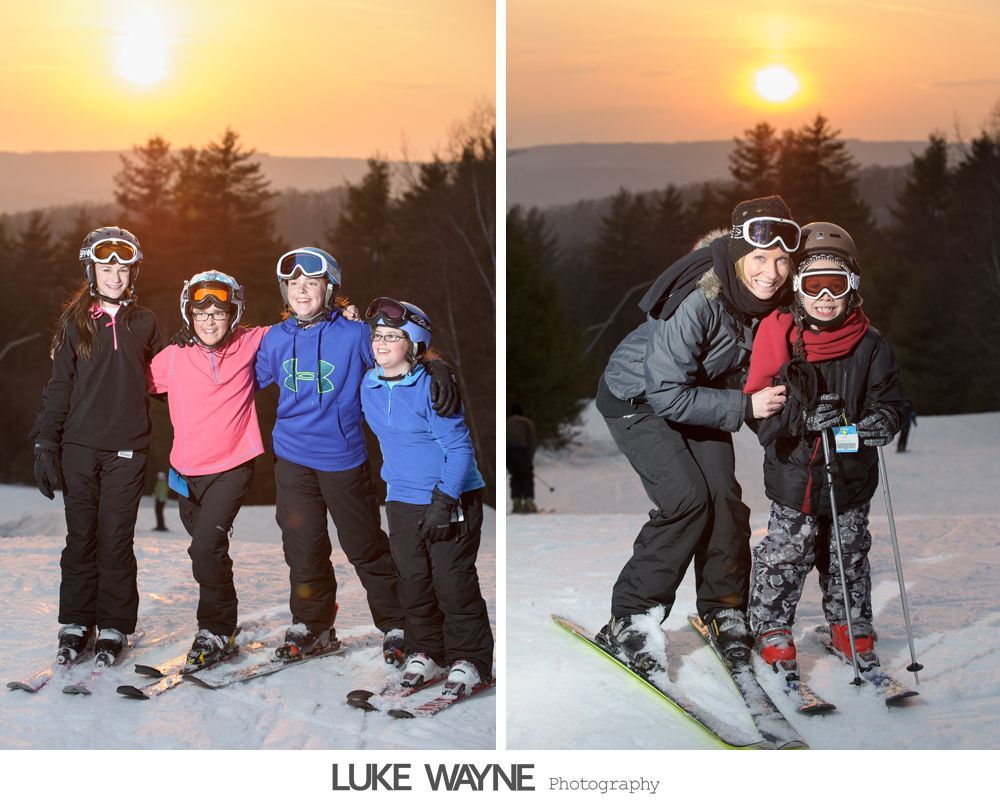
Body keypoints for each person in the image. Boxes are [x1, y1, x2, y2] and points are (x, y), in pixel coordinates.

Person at [594, 196, 797, 677]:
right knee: (687, 499)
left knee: (724, 497)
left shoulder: (770, 306)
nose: (772, 272)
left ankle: (724, 606)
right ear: (737, 253)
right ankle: (631, 617)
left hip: (700, 398)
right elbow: (665, 391)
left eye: (783, 261)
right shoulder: (697, 298)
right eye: (761, 259)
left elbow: (763, 375)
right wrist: (743, 407)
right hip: (639, 399)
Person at [254, 247, 462, 663]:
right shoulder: (274, 339)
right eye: (294, 284)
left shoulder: (354, 335)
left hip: (343, 460)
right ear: (284, 290)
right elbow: (238, 377)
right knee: (303, 546)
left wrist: (438, 367)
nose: (302, 291)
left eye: (311, 283)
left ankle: (397, 623)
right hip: (292, 460)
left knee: (364, 545)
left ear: (329, 289)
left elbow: (400, 351)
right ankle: (313, 625)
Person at [742, 222, 903, 677]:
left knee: (848, 552)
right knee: (788, 550)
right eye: (814, 285)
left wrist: (882, 421)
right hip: (796, 474)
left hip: (851, 475)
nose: (826, 296)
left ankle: (849, 626)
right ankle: (772, 625)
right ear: (798, 289)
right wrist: (803, 419)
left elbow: (888, 399)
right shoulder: (783, 339)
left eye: (837, 284)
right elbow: (762, 415)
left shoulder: (871, 344)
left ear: (853, 288)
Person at [31, 226, 162, 666]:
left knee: (115, 539)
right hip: (80, 447)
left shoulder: (145, 322)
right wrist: (46, 442)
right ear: (92, 270)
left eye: (123, 268)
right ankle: (76, 621)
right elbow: (60, 386)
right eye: (106, 268)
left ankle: (114, 624)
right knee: (81, 537)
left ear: (133, 273)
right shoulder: (76, 322)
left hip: (128, 449)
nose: (115, 275)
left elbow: (167, 380)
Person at [360, 298, 493, 697]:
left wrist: (444, 500)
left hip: (451, 497)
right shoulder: (368, 384)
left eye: (392, 337)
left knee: (452, 582)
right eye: (377, 336)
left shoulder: (433, 386)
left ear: (414, 343)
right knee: (414, 581)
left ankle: (470, 658)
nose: (381, 344)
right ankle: (427, 650)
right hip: (401, 499)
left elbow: (460, 449)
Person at [148, 270, 268, 668]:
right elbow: (123, 378)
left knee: (204, 547)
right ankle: (224, 623)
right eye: (201, 313)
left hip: (232, 467)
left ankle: (214, 629)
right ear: (188, 315)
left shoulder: (252, 343)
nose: (210, 320)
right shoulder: (173, 357)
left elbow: (302, 333)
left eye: (220, 312)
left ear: (234, 314)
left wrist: (350, 318)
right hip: (184, 475)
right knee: (209, 554)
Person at [506, 402, 537, 513]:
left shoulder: (506, 422)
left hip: (508, 451)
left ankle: (516, 502)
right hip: (522, 450)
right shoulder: (526, 423)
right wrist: (529, 457)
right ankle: (528, 501)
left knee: (515, 476)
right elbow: (532, 441)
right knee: (527, 476)